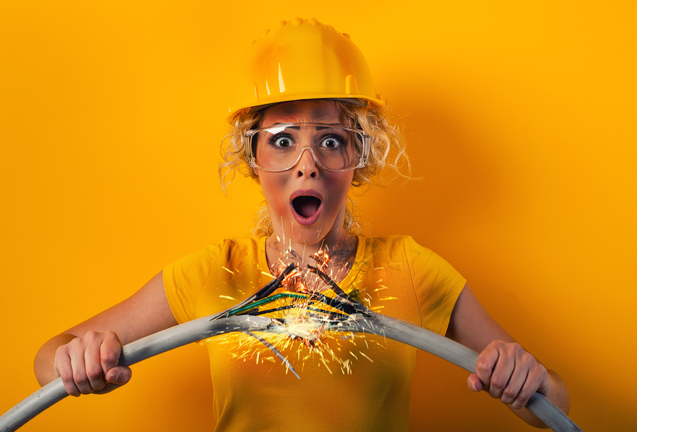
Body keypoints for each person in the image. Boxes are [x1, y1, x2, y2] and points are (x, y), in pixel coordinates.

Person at [34, 17, 570, 431]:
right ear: (252, 159)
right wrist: (77, 359)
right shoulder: (213, 274)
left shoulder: (411, 269)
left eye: (331, 140)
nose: (307, 163)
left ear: (359, 157)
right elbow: (47, 360)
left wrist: (522, 377)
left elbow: (555, 403)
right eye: (283, 140)